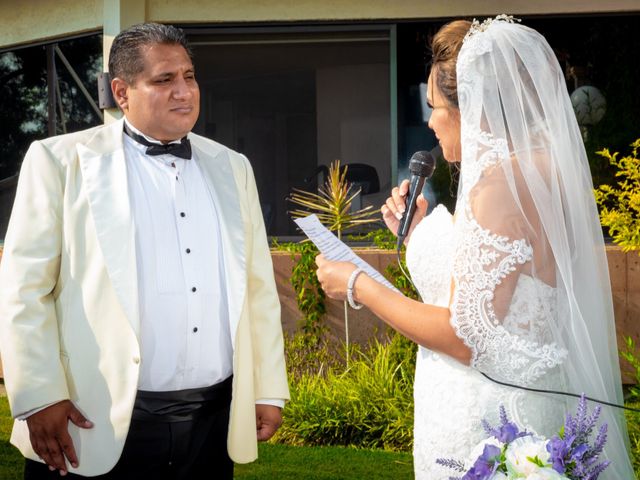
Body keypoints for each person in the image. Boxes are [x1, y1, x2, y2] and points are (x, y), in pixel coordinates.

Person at [315, 15, 634, 479]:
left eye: (435, 106)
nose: (430, 121)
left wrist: (358, 284)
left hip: (484, 423)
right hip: (518, 401)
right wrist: (419, 232)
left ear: (474, 108)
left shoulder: (500, 185)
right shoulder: (540, 170)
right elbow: (497, 284)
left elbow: (466, 337)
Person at [0, 22, 288, 479]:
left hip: (211, 426)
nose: (184, 92)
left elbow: (257, 289)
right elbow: (23, 290)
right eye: (164, 80)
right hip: (90, 423)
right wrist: (40, 394)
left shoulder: (234, 167)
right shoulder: (57, 161)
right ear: (122, 91)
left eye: (189, 76)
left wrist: (268, 387)